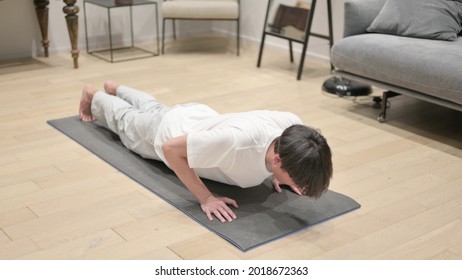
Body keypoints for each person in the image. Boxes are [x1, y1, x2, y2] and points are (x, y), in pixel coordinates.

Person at [79, 81, 333, 223]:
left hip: (196, 117)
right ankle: (95, 94)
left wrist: (279, 175)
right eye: (299, 181)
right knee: (125, 121)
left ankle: (118, 88)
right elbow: (170, 150)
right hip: (164, 134)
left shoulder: (292, 125)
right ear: (277, 159)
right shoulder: (237, 143)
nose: (301, 188)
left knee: (155, 107)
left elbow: (280, 150)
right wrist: (206, 198)